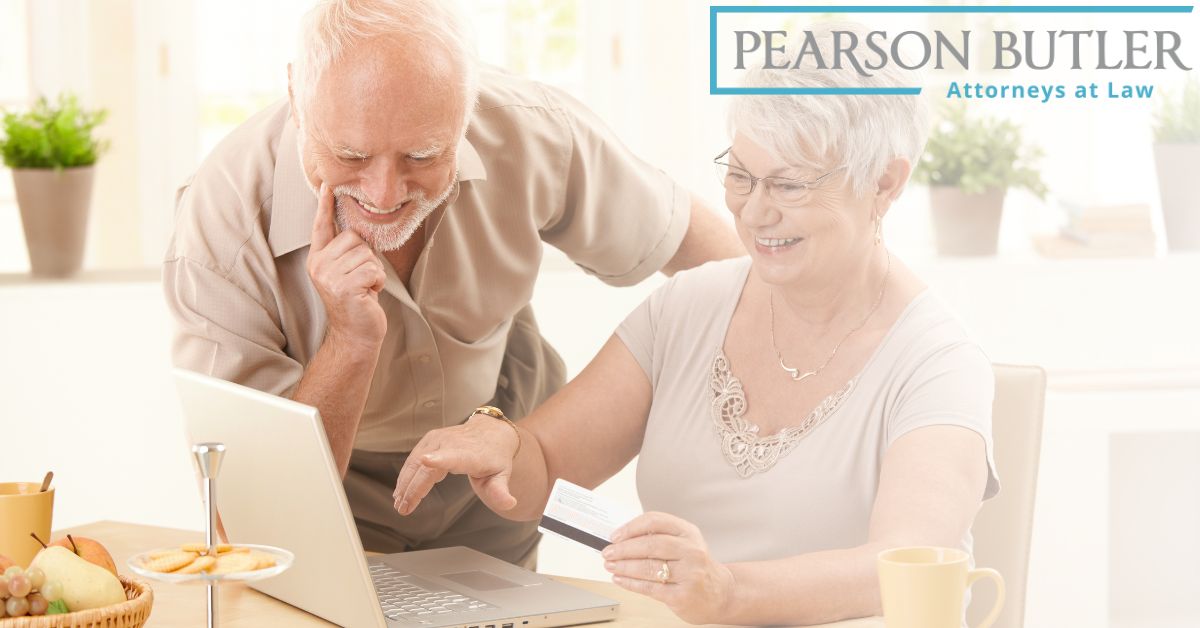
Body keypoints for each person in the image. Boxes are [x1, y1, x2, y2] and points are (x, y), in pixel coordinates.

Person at [391, 22, 1000, 625]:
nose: (755, 211)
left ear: (884, 181)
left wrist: (727, 591)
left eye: (788, 184)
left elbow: (908, 561)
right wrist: (500, 446)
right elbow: (545, 469)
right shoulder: (686, 308)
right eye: (740, 175)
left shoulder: (938, 363)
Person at [162, 0, 742, 570]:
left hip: (498, 448)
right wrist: (351, 342)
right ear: (296, 98)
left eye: (422, 155)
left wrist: (798, 358)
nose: (384, 195)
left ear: (466, 112)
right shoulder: (222, 224)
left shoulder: (530, 129)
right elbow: (252, 519)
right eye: (350, 155)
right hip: (333, 480)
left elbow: (692, 243)